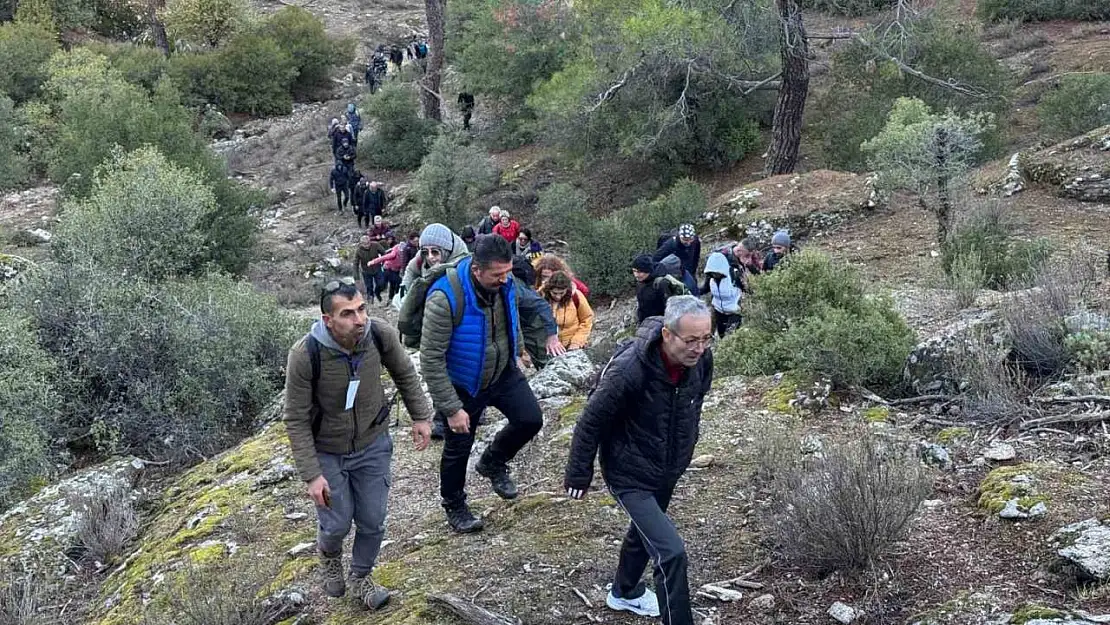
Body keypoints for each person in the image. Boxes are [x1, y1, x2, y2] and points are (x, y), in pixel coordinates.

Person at [283, 277, 434, 610]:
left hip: (372, 442)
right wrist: (312, 475)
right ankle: (329, 552)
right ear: (328, 320)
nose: (360, 319)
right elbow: (294, 419)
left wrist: (421, 417)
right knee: (337, 522)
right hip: (327, 451)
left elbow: (405, 373)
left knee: (373, 519)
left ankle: (361, 577)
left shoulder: (379, 334)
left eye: (362, 308)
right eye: (348, 313)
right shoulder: (305, 354)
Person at [564, 295, 713, 625]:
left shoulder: (701, 360)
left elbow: (695, 400)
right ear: (667, 334)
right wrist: (578, 472)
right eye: (691, 340)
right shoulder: (629, 368)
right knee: (671, 553)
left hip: (668, 465)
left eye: (706, 338)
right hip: (628, 470)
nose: (699, 348)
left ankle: (624, 592)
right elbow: (591, 420)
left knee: (644, 533)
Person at [421, 235, 545, 533]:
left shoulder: (507, 284)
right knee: (458, 447)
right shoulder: (445, 297)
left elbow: (519, 314)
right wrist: (451, 409)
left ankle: (493, 461)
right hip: (464, 382)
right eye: (497, 275)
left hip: (502, 371)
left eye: (507, 273)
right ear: (477, 270)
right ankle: (454, 505)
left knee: (530, 419)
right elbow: (430, 359)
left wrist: (521, 349)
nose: (505, 280)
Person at [512, 255, 564, 371]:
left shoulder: (516, 289)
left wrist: (552, 336)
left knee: (547, 359)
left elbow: (541, 305)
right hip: (523, 321)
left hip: (533, 323)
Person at [541, 271, 594, 350]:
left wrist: (577, 342)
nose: (558, 297)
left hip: (573, 345)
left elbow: (587, 319)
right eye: (554, 293)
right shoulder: (540, 298)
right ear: (549, 290)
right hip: (547, 347)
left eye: (561, 293)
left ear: (567, 289)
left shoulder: (576, 296)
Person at [632, 254, 687, 324]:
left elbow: (669, 308)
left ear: (648, 270)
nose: (636, 275)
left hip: (661, 325)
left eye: (640, 272)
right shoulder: (641, 282)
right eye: (634, 271)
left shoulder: (661, 283)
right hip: (647, 323)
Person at [701, 252, 742, 337]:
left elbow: (747, 289)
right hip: (718, 311)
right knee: (722, 335)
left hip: (734, 312)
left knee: (730, 337)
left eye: (716, 272)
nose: (714, 274)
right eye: (712, 272)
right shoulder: (711, 278)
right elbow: (705, 289)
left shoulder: (734, 275)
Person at [369, 234, 406, 302]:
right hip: (388, 269)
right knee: (386, 284)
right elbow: (384, 257)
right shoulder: (394, 253)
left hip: (396, 270)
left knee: (393, 284)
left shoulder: (406, 254)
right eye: (401, 252)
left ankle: (392, 298)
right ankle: (377, 292)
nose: (402, 253)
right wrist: (373, 262)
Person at [355, 235, 386, 303]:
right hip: (366, 270)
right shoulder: (358, 251)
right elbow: (356, 263)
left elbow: (384, 254)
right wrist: (356, 277)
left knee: (381, 283)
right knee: (369, 286)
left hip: (377, 268)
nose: (367, 245)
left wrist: (384, 264)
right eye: (364, 244)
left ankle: (378, 293)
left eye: (368, 243)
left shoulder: (376, 245)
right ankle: (370, 297)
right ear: (361, 244)